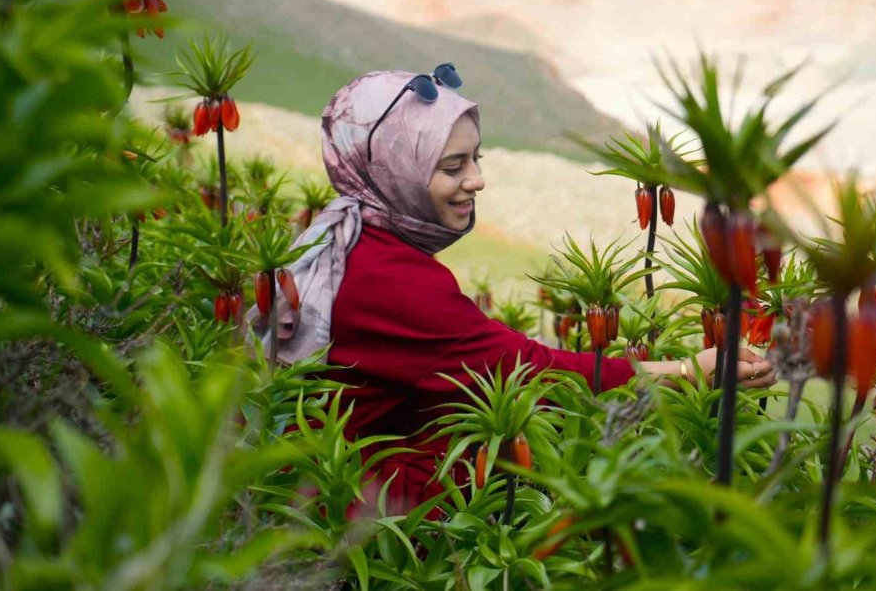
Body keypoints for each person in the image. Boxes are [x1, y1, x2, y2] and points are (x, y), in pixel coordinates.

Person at [255, 67, 775, 514]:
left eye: (475, 158)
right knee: (520, 438)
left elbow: (467, 354)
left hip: (322, 471)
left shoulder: (348, 237)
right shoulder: (390, 279)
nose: (477, 180)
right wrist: (688, 372)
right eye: (453, 166)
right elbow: (526, 370)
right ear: (395, 170)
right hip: (358, 504)